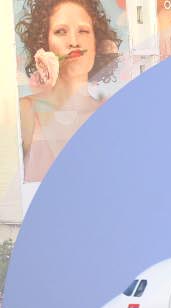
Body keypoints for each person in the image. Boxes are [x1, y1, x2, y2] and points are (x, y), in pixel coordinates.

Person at [15, 0, 127, 181]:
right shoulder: (24, 111)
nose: (74, 42)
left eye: (83, 31)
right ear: (44, 43)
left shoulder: (113, 115)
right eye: (61, 32)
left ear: (96, 44)